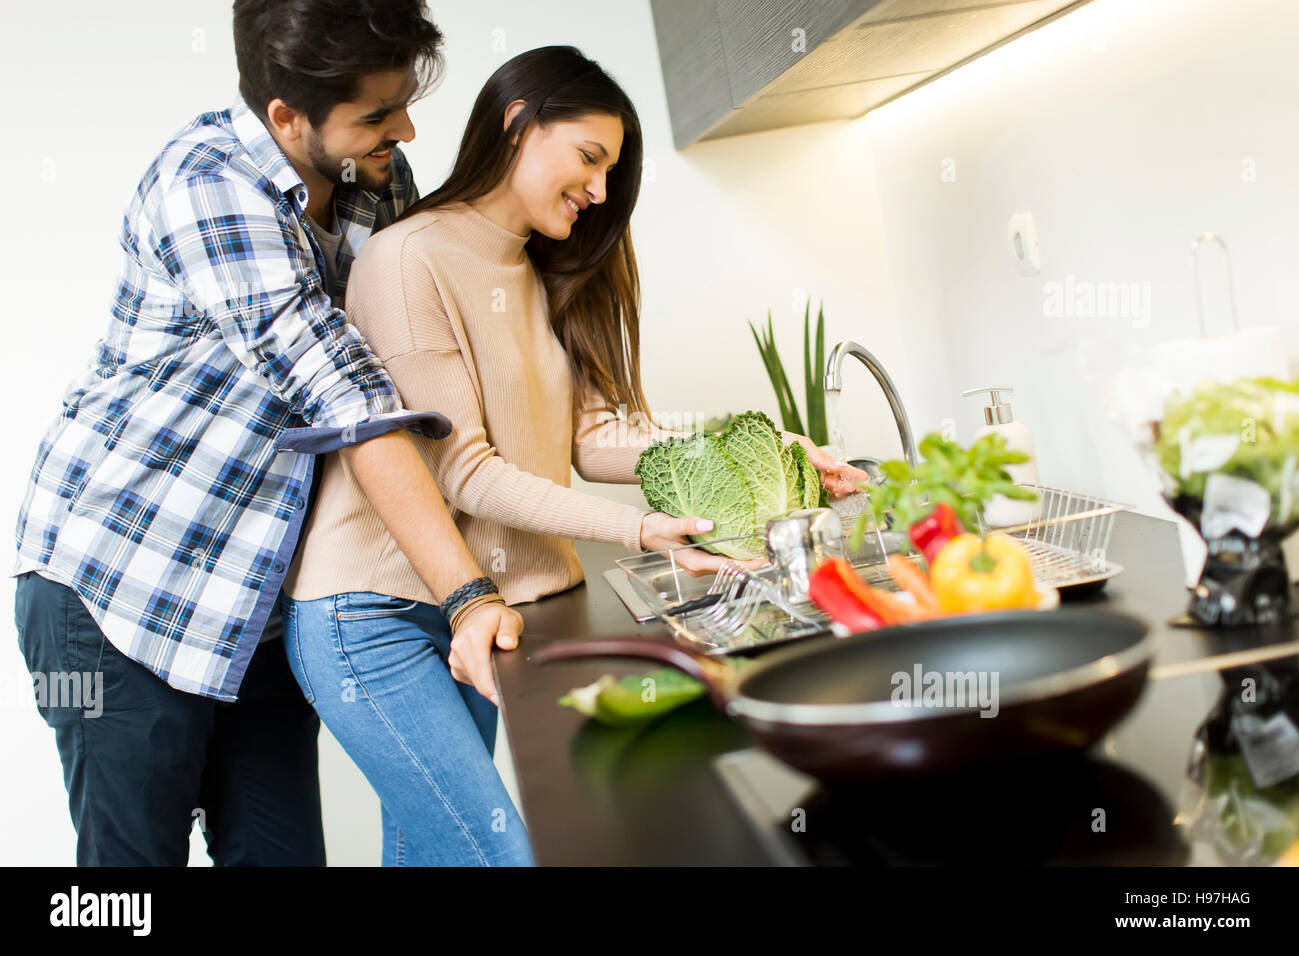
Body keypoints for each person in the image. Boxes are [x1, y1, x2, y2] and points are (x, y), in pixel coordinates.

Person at [281, 45, 865, 868]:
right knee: (498, 855)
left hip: (491, 605)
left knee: (430, 853)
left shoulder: (550, 268)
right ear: (519, 124)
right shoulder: (407, 259)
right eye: (588, 158)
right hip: (369, 617)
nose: (598, 190)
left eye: (609, 170)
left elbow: (594, 440)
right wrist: (642, 532)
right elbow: (464, 471)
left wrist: (773, 449)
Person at [12, 0, 523, 866]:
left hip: (255, 601)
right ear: (285, 116)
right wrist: (467, 596)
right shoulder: (204, 182)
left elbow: (420, 341)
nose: (403, 127)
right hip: (114, 594)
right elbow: (346, 395)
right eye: (375, 113)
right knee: (126, 884)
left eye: (403, 100)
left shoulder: (375, 175)